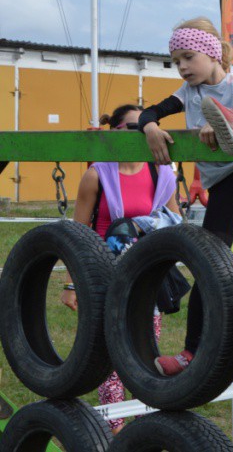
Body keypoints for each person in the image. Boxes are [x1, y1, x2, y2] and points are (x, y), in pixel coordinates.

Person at [136, 17, 233, 376]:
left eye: (188, 57)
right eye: (175, 61)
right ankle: (193, 353)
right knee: (208, 262)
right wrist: (151, 127)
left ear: (212, 54)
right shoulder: (187, 94)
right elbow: (150, 112)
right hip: (224, 184)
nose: (182, 67)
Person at [66, 104, 179, 433]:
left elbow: (175, 223)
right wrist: (73, 284)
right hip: (105, 278)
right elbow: (77, 233)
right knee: (110, 358)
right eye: (131, 127)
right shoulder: (96, 175)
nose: (140, 132)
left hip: (147, 278)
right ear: (114, 132)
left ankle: (144, 429)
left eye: (145, 126)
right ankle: (115, 430)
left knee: (145, 354)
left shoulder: (163, 174)